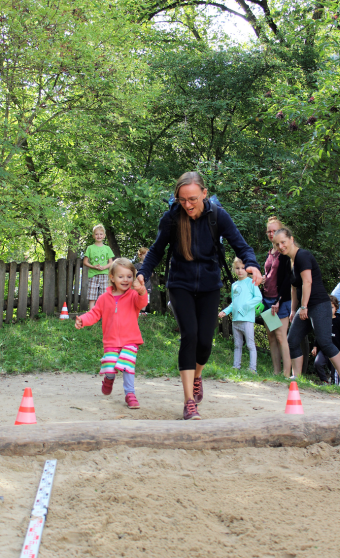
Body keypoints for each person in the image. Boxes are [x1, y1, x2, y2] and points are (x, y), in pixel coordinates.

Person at [135, 171, 261, 420]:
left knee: (204, 342)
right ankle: (188, 402)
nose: (188, 205)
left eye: (192, 198)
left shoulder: (217, 216)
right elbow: (156, 250)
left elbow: (240, 244)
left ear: (204, 193)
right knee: (189, 336)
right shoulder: (171, 218)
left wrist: (252, 264)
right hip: (180, 284)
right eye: (182, 200)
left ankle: (197, 376)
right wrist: (143, 273)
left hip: (209, 285)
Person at [75, 258, 148, 409]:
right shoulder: (104, 298)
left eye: (129, 276)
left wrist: (141, 291)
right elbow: (94, 314)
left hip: (131, 340)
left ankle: (130, 394)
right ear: (112, 277)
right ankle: (109, 378)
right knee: (110, 366)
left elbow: (143, 303)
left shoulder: (134, 295)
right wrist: (82, 320)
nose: (125, 280)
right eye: (121, 276)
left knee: (128, 366)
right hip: (111, 341)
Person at [274, 227, 340, 379]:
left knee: (325, 343)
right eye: (277, 244)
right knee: (292, 341)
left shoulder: (302, 255)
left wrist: (303, 307)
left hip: (319, 304)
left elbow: (307, 282)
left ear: (291, 239)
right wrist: (292, 310)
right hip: (306, 307)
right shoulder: (289, 261)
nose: (281, 246)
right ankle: (296, 378)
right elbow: (293, 287)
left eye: (283, 242)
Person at [218, 257, 262, 373]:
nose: (240, 271)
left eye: (243, 268)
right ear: (234, 269)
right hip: (235, 320)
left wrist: (246, 307)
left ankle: (253, 368)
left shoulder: (251, 282)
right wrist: (225, 311)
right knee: (237, 345)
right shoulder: (234, 285)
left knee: (250, 345)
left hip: (247, 319)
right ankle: (236, 366)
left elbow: (258, 297)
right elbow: (234, 303)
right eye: (237, 268)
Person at [261, 216, 291, 377]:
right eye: (269, 231)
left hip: (280, 300)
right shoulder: (270, 252)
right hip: (267, 299)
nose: (272, 234)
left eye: (275, 231)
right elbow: (270, 273)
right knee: (271, 336)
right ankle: (276, 372)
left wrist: (279, 300)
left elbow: (288, 279)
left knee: (281, 336)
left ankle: (287, 374)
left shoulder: (284, 253)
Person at [83, 224, 114, 310]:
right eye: (96, 234)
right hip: (93, 276)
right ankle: (91, 315)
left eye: (101, 234)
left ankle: (103, 314)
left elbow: (111, 262)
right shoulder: (90, 248)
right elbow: (85, 262)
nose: (99, 236)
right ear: (93, 236)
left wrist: (104, 267)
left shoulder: (107, 248)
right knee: (92, 296)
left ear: (104, 236)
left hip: (104, 275)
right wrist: (93, 266)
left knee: (104, 296)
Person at [312, 295, 340, 385]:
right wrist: (315, 346)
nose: (329, 309)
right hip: (324, 349)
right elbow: (319, 334)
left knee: (334, 370)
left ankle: (334, 386)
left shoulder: (338, 320)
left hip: (335, 351)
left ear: (336, 308)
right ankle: (324, 381)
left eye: (331, 307)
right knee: (317, 363)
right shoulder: (322, 320)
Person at [134, 247, 152, 312]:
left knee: (146, 299)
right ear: (140, 255)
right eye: (145, 255)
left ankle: (143, 312)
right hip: (139, 285)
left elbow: (151, 274)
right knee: (138, 298)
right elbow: (134, 274)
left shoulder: (148, 266)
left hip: (147, 285)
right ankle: (138, 311)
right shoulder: (136, 265)